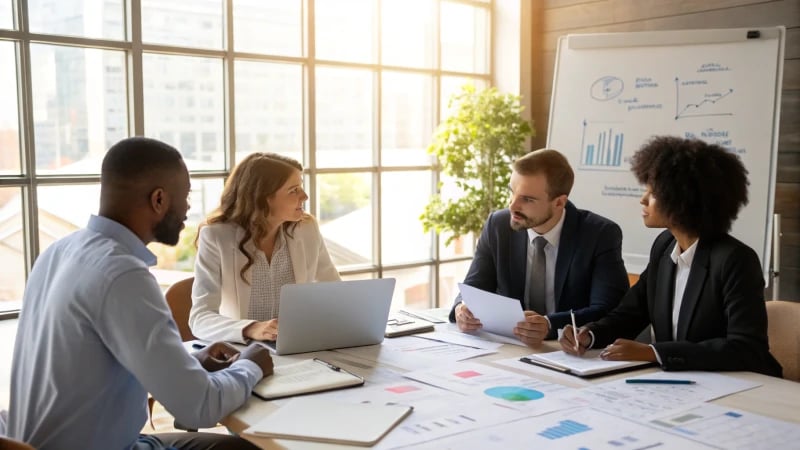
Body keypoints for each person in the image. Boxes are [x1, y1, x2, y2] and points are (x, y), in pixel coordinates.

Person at [6, 137, 274, 450]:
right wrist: (252, 364)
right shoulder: (122, 274)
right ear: (158, 200)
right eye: (185, 196)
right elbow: (199, 406)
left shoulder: (60, 251)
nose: (189, 208)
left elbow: (96, 359)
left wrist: (192, 361)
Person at [559, 136, 782, 377]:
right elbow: (630, 314)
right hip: (681, 383)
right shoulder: (665, 246)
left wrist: (654, 352)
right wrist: (589, 334)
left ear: (684, 200)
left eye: (653, 193)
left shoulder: (735, 260)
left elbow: (746, 348)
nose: (643, 199)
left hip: (739, 386)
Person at [451, 149, 629, 348]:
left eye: (527, 199)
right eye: (512, 192)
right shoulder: (498, 225)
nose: (512, 206)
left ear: (559, 202)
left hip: (567, 351)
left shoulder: (600, 234)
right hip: (511, 348)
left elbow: (608, 310)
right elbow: (475, 286)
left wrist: (549, 324)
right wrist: (462, 308)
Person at [190, 152, 340, 344]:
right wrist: (252, 328)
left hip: (299, 346)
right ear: (263, 197)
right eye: (293, 190)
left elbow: (335, 293)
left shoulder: (306, 229)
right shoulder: (216, 236)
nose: (304, 196)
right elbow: (200, 318)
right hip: (245, 352)